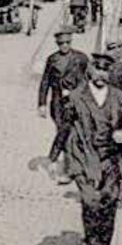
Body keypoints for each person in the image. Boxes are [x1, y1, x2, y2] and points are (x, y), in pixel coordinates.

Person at [64, 53, 122, 245]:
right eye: (97, 69)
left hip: (110, 157)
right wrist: (53, 158)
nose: (101, 75)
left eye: (105, 71)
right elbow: (64, 129)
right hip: (85, 156)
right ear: (90, 71)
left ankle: (104, 244)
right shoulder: (77, 97)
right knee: (90, 200)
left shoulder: (118, 97)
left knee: (109, 200)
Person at [37, 26, 90, 182]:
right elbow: (45, 81)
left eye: (67, 43)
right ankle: (67, 170)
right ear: (57, 44)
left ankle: (61, 162)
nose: (64, 46)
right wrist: (41, 104)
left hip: (76, 102)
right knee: (64, 132)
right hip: (58, 102)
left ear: (71, 42)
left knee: (74, 134)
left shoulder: (81, 58)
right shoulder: (52, 60)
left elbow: (88, 80)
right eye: (61, 44)